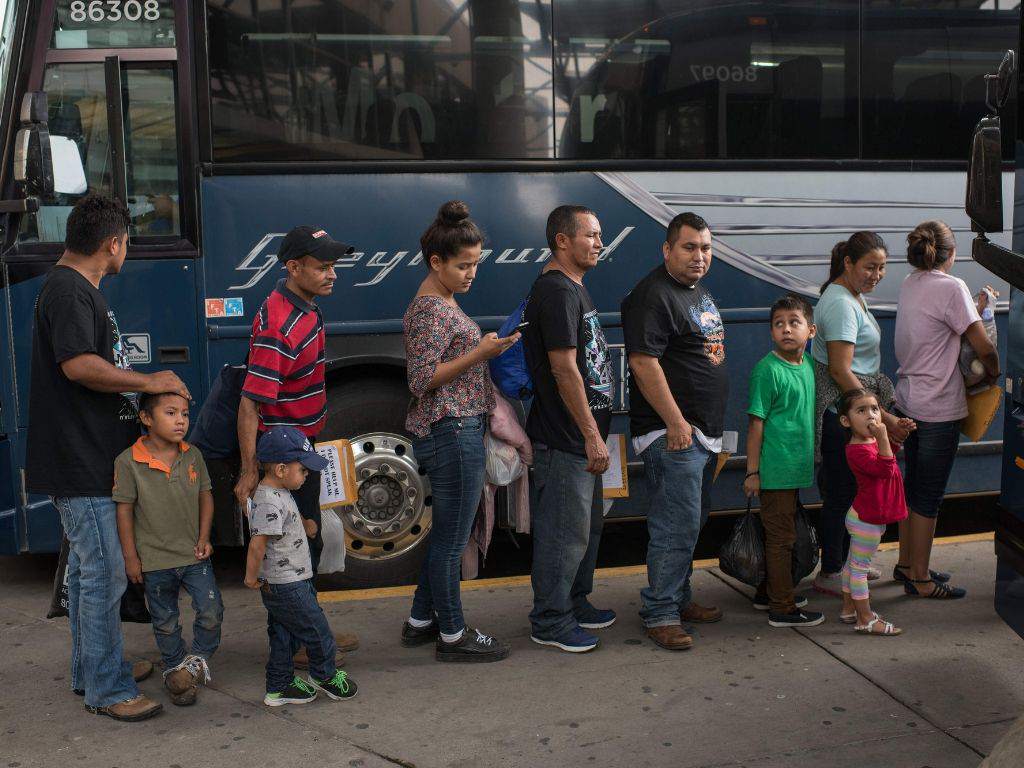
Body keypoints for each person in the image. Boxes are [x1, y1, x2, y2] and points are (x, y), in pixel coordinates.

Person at [25, 194, 190, 721]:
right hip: (81, 460)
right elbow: (78, 365)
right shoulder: (70, 291)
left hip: (86, 456)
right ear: (112, 243)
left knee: (84, 574)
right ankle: (108, 689)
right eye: (126, 241)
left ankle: (92, 667)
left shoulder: (72, 287)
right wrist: (150, 380)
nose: (128, 250)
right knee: (104, 575)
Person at [233, 225, 359, 666]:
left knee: (308, 544)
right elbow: (250, 405)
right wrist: (251, 471)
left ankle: (310, 631)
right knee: (294, 552)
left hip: (303, 446)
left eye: (333, 266)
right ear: (293, 268)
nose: (332, 276)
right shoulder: (280, 325)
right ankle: (303, 643)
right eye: (323, 267)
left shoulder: (303, 306)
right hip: (285, 458)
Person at [400, 201, 516, 662]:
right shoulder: (429, 309)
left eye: (475, 264)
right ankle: (452, 635)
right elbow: (420, 379)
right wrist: (481, 353)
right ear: (436, 262)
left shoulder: (443, 301)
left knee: (447, 533)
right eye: (463, 265)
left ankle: (420, 621)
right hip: (451, 431)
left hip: (454, 428)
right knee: (452, 540)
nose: (471, 274)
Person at [622, 212, 727, 651]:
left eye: (705, 247)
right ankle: (661, 611)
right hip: (675, 435)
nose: (699, 256)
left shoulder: (693, 290)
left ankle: (679, 598)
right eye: (689, 247)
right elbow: (643, 364)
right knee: (675, 526)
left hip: (699, 435)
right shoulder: (653, 295)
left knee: (691, 521)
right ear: (667, 250)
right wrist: (676, 423)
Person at [522, 205, 615, 653]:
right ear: (562, 240)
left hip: (581, 438)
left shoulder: (575, 288)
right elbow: (564, 370)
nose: (600, 243)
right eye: (592, 235)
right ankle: (551, 619)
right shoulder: (557, 292)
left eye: (600, 236)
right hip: (566, 439)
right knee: (564, 532)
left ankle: (575, 602)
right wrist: (591, 435)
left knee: (586, 528)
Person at [893, 221, 999, 599]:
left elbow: (939, 329)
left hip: (908, 401)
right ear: (951, 254)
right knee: (929, 495)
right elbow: (982, 346)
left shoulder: (910, 284)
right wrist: (995, 370)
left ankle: (907, 563)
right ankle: (920, 579)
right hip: (938, 406)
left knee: (912, 487)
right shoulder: (952, 287)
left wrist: (975, 308)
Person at [811, 231, 915, 597]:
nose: (877, 274)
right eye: (870, 267)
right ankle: (831, 571)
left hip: (855, 409)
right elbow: (841, 370)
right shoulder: (840, 303)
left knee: (853, 491)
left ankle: (849, 564)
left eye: (883, 268)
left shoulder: (851, 296)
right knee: (841, 493)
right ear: (848, 264)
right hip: (842, 413)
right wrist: (882, 418)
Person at [113, 392, 223, 706]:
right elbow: (124, 511)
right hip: (154, 560)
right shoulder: (127, 461)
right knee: (165, 621)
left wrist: (205, 537)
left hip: (194, 555)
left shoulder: (193, 455)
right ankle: (174, 669)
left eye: (185, 414)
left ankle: (194, 662)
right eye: (171, 413)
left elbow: (206, 496)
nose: (181, 421)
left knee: (212, 611)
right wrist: (131, 557)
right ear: (146, 418)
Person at [244, 427, 358, 706]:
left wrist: (303, 525)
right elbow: (258, 544)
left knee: (285, 636)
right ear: (281, 469)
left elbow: (280, 528)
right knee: (318, 632)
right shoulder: (269, 501)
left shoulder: (279, 492)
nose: (307, 476)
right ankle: (324, 675)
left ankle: (279, 687)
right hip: (287, 586)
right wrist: (250, 577)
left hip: (290, 581)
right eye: (303, 471)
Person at [743, 295, 825, 628]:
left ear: (811, 331)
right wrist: (752, 471)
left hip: (794, 469)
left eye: (794, 322)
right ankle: (782, 606)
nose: (786, 329)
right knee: (781, 540)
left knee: (780, 534)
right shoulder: (767, 370)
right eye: (779, 324)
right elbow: (756, 423)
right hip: (775, 470)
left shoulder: (805, 367)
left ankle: (768, 591)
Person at [837, 389, 908, 635]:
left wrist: (899, 436)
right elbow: (886, 468)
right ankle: (865, 618)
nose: (871, 416)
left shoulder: (870, 441)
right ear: (846, 421)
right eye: (861, 410)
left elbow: (890, 453)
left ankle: (848, 609)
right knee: (859, 569)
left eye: (875, 409)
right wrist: (885, 436)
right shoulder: (856, 450)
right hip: (866, 520)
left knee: (851, 564)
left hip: (866, 515)